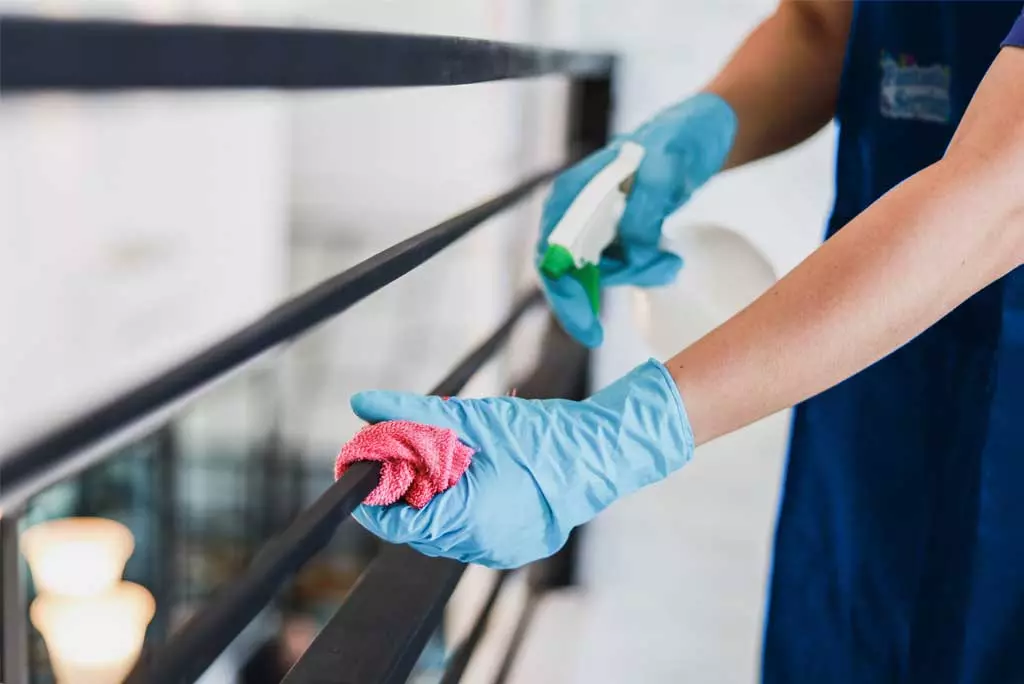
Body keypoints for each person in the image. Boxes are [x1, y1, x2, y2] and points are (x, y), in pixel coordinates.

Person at [351, 2, 1024, 681]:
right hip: (870, 376)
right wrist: (689, 139)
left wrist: (612, 441)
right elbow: (822, 24)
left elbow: (1008, 188)